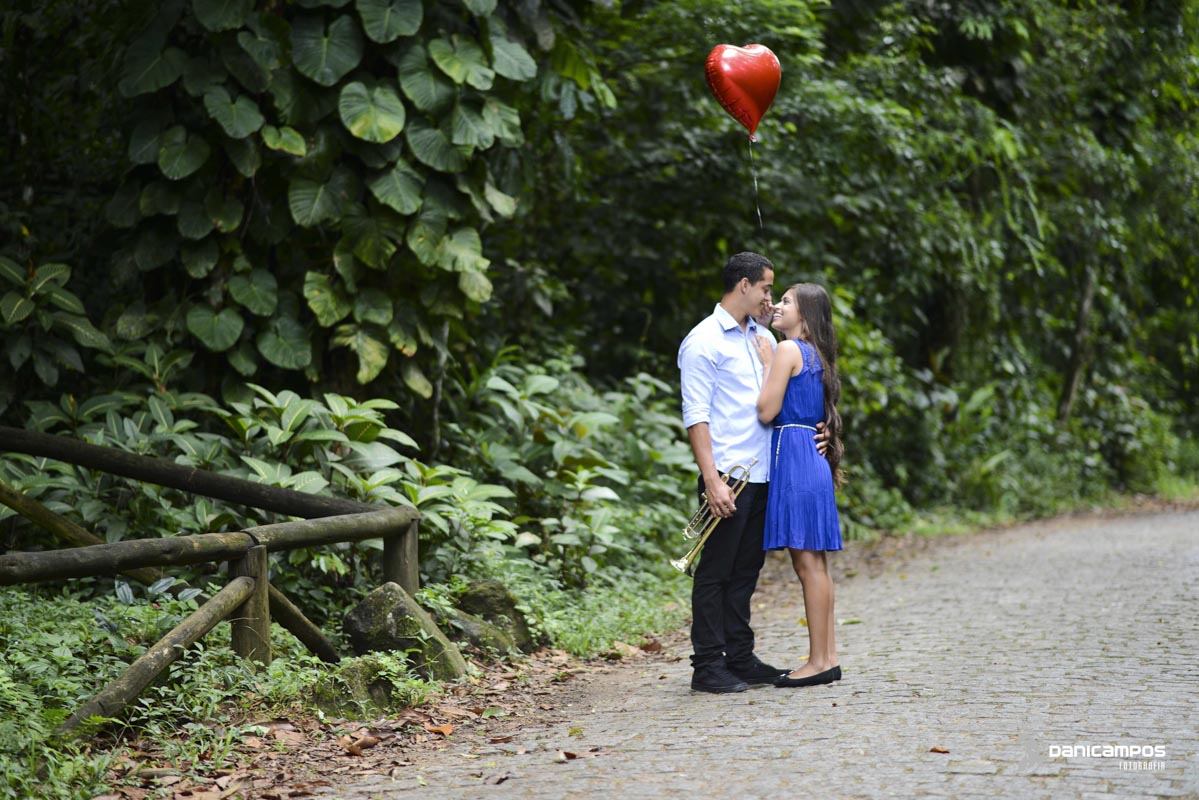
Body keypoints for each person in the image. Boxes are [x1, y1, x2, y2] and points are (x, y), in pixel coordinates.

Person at [677, 251, 789, 693]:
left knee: (746, 572)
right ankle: (707, 665)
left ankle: (739, 657)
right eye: (765, 288)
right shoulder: (703, 340)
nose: (770, 299)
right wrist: (711, 480)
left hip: (762, 475)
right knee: (715, 573)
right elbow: (696, 414)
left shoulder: (762, 338)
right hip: (727, 476)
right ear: (743, 285)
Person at [752, 282, 844, 688]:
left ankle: (818, 662)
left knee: (807, 566)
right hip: (812, 458)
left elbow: (767, 410)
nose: (778, 305)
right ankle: (827, 656)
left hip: (795, 455)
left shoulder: (789, 350)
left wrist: (767, 364)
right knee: (816, 566)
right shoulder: (815, 356)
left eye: (786, 301)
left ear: (804, 316)